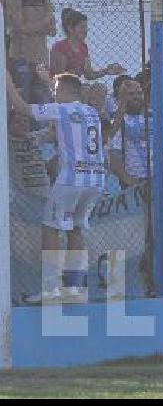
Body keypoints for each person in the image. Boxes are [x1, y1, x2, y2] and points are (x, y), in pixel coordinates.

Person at [6, 71, 106, 303]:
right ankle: (75, 287)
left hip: (71, 178)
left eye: (56, 90)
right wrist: (47, 77)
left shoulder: (61, 109)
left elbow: (22, 107)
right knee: (76, 229)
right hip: (95, 179)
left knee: (50, 228)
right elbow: (68, 91)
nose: (53, 93)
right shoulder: (91, 112)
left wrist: (7, 80)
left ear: (65, 92)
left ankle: (50, 289)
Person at [5, 0, 56, 104]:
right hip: (21, 57)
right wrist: (43, 21)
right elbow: (20, 27)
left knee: (42, 101)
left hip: (40, 59)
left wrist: (34, 26)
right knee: (22, 100)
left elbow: (52, 30)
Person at [49, 8, 126, 80]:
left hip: (74, 86)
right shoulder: (61, 47)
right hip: (62, 88)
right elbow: (60, 77)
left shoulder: (83, 47)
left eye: (86, 27)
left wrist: (107, 71)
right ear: (70, 29)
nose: (85, 30)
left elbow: (88, 74)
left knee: (100, 88)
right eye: (82, 27)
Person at [106, 79, 153, 189]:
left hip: (162, 175)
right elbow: (112, 155)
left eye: (139, 93)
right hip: (138, 179)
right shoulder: (118, 122)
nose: (136, 97)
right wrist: (128, 180)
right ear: (120, 99)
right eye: (131, 94)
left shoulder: (154, 116)